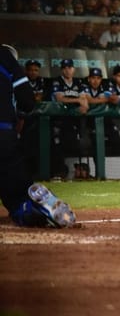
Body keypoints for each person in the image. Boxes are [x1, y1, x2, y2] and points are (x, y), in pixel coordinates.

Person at [0, 44, 76, 228]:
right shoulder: (5, 56)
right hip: (4, 135)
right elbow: (27, 101)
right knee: (17, 194)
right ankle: (30, 209)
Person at [50, 58, 89, 180]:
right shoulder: (57, 81)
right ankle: (59, 171)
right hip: (58, 120)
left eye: (69, 67)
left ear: (74, 69)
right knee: (56, 145)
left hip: (74, 121)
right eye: (65, 68)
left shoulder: (79, 82)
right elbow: (59, 99)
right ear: (62, 70)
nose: (67, 70)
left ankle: (79, 172)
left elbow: (84, 100)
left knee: (79, 143)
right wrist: (77, 100)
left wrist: (84, 105)